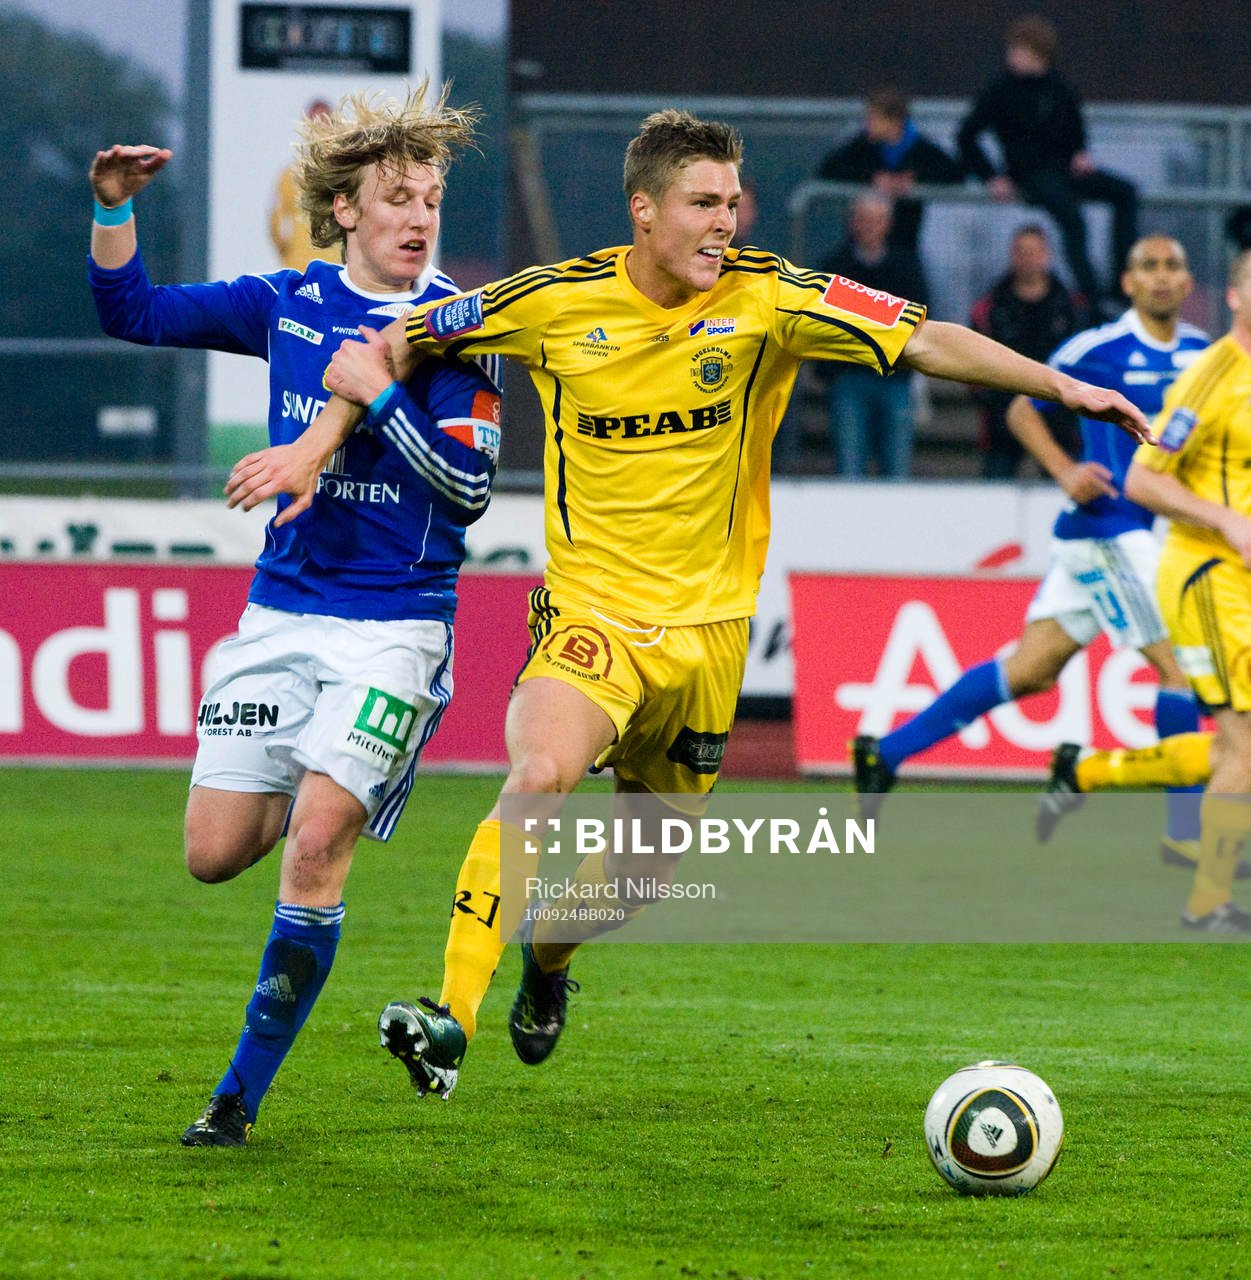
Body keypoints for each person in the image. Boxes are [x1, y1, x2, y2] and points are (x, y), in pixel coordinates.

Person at [224, 108, 1149, 1098]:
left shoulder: (774, 299)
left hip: (707, 640)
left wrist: (1061, 386)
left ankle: (547, 961)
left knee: (626, 882)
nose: (726, 221)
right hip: (592, 617)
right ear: (645, 209)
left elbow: (926, 342)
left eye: (733, 203)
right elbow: (398, 337)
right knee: (536, 771)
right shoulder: (553, 301)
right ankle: (451, 1013)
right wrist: (317, 444)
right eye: (704, 203)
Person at [87, 86, 503, 1145]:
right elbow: (130, 312)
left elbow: (466, 493)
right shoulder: (286, 301)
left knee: (316, 843)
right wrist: (112, 206)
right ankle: (312, 781)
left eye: (432, 199)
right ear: (346, 211)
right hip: (280, 618)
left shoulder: (461, 327)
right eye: (397, 198)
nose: (418, 218)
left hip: (397, 624)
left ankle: (235, 1098)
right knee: (217, 851)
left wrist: (385, 392)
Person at [853, 235, 1208, 871]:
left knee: (1032, 670)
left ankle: (887, 751)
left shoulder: (1202, 355)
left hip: (1149, 535)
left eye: (1172, 266)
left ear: (1188, 282)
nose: (1161, 277)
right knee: (1180, 666)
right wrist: (1066, 470)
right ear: (1127, 283)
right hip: (1112, 527)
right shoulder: (1099, 348)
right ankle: (1186, 833)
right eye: (1147, 265)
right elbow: (1023, 407)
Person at [1110, 247, 1251, 931]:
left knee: (1235, 748)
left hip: (1240, 584)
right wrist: (1227, 521)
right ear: (1231, 296)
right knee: (1242, 745)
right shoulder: (1211, 374)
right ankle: (1207, 902)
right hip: (1208, 580)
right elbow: (1142, 478)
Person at [957, 14, 1139, 314]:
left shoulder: (1060, 88)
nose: (1012, 57)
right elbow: (966, 138)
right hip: (1030, 175)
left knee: (1124, 193)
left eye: (1020, 50)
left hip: (1064, 170)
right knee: (1072, 218)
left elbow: (1075, 132)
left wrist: (1080, 154)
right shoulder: (1000, 90)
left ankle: (1121, 283)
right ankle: (1091, 297)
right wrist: (991, 177)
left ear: (1038, 53)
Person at [821, 192, 928, 477]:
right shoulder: (834, 265)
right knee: (849, 468)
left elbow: (918, 318)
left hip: (894, 377)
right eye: (863, 219)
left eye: (876, 219)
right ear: (852, 222)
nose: (869, 226)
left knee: (897, 469)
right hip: (848, 376)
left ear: (888, 224)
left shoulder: (907, 266)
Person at [970, 224, 1080, 478]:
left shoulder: (1071, 307)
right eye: (1021, 251)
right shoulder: (992, 305)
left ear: (1047, 255)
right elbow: (972, 358)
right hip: (1002, 420)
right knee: (994, 495)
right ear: (1012, 254)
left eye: (1034, 251)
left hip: (1060, 420)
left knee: (1065, 491)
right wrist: (992, 401)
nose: (1028, 258)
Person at [817, 86, 964, 258]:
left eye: (873, 119)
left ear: (893, 121)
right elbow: (828, 168)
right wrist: (872, 178)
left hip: (905, 238)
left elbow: (954, 173)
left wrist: (914, 179)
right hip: (861, 245)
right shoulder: (863, 146)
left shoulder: (919, 148)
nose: (867, 124)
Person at [268, 98, 343, 270]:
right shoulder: (346, 174)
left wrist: (288, 253)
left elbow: (276, 226)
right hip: (329, 268)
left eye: (323, 123)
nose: (319, 128)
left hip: (305, 268)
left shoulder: (290, 174)